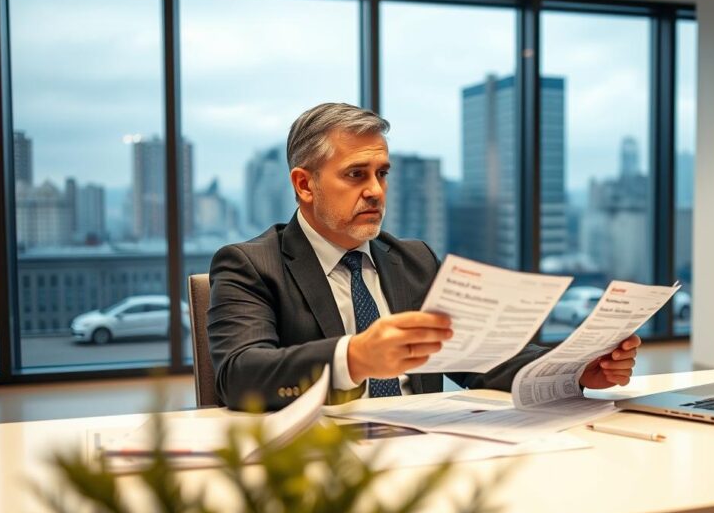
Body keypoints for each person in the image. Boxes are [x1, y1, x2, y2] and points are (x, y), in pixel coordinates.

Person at [207, 103, 641, 410]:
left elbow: (482, 360)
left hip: (428, 450)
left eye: (382, 174)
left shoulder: (412, 259)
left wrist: (577, 372)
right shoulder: (251, 265)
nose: (376, 190)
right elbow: (240, 375)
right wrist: (355, 358)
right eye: (356, 174)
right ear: (305, 185)